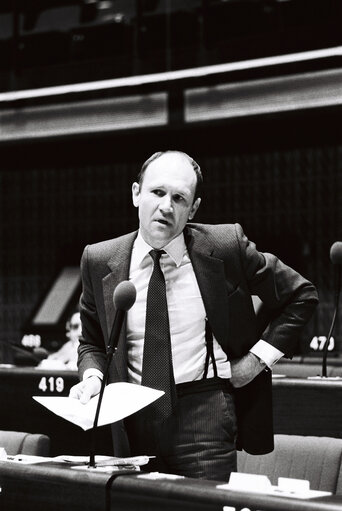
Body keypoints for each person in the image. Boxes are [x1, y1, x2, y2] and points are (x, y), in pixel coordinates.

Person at [70, 150, 318, 481]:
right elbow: (91, 342)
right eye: (157, 192)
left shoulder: (226, 246)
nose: (166, 206)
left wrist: (258, 360)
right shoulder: (99, 259)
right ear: (136, 194)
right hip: (130, 415)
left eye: (179, 198)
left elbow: (302, 294)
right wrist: (92, 379)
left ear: (193, 208)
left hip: (203, 414)